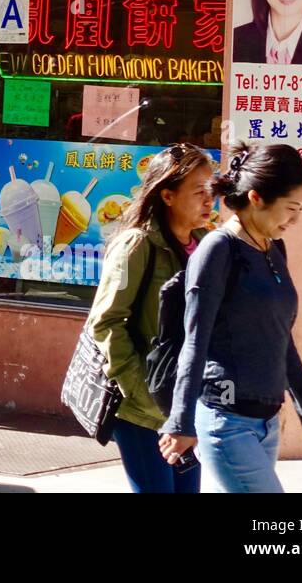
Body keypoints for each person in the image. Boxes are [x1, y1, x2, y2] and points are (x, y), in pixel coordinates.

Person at [158, 142, 302, 493]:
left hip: (266, 422)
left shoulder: (273, 248)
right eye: (291, 208)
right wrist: (180, 422)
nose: (295, 219)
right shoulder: (218, 249)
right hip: (226, 421)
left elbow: (281, 339)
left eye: (301, 208)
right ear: (256, 198)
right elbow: (195, 341)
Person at [87, 143, 215, 493]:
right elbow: (106, 322)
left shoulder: (207, 244)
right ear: (168, 195)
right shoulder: (136, 245)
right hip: (142, 409)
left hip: (184, 406)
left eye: (212, 190)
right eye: (198, 192)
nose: (209, 200)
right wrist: (141, 392)